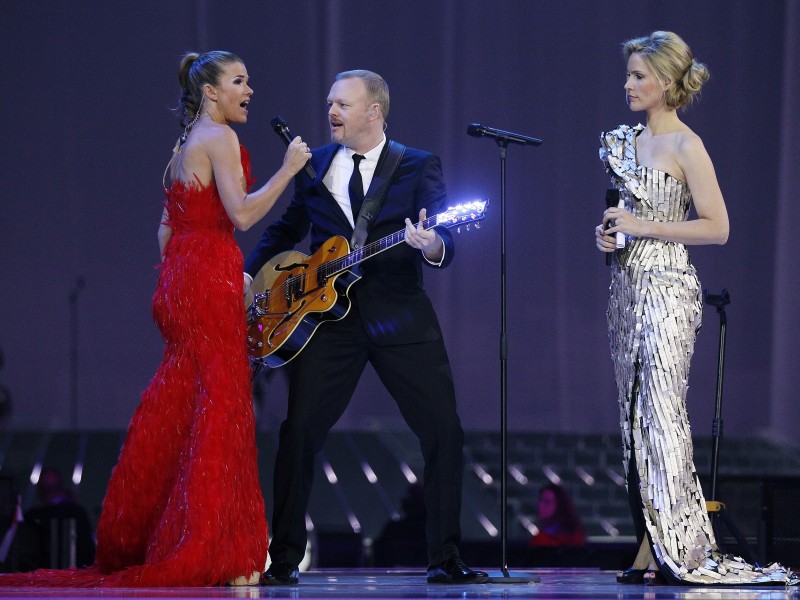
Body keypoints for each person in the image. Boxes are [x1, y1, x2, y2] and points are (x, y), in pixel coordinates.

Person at [0, 50, 310, 587]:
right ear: (211, 91)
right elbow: (240, 215)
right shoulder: (220, 139)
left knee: (180, 405)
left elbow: (167, 231)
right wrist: (288, 170)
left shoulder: (182, 145)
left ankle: (153, 537)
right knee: (221, 410)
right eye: (239, 81)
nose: (250, 90)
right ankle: (218, 550)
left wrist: (200, 270)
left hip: (179, 283)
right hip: (206, 280)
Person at [246, 70, 487, 585]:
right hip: (328, 321)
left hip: (400, 312)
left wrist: (434, 246)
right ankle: (283, 557)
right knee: (299, 431)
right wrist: (250, 276)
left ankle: (445, 557)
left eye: (343, 104)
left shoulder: (418, 164)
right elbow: (289, 229)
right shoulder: (316, 167)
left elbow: (444, 231)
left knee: (443, 429)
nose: (331, 111)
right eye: (330, 102)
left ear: (373, 111)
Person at [596, 31, 796, 586]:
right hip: (625, 293)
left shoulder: (686, 145)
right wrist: (612, 235)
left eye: (639, 75)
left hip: (667, 290)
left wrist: (646, 227)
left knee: (663, 417)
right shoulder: (625, 141)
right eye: (629, 73)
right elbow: (622, 217)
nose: (629, 83)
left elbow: (718, 226)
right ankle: (648, 542)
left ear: (665, 81)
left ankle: (681, 547)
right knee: (635, 423)